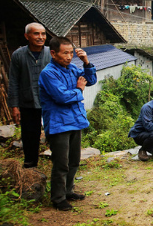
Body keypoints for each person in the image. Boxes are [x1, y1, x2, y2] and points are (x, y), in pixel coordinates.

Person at [39, 37, 97, 211]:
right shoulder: (48, 73)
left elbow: (91, 80)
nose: (69, 57)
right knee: (61, 163)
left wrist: (86, 61)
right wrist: (79, 89)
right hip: (59, 124)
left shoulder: (72, 69)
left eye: (71, 53)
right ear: (53, 53)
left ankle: (68, 190)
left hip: (75, 121)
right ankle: (58, 198)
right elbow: (62, 97)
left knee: (74, 161)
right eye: (65, 53)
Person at [8, 23, 51, 169]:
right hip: (28, 101)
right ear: (27, 36)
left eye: (43, 34)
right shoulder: (18, 55)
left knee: (55, 132)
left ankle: (59, 163)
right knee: (29, 135)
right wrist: (14, 106)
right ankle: (30, 164)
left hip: (49, 101)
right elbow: (13, 81)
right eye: (36, 34)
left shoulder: (51, 53)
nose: (41, 37)